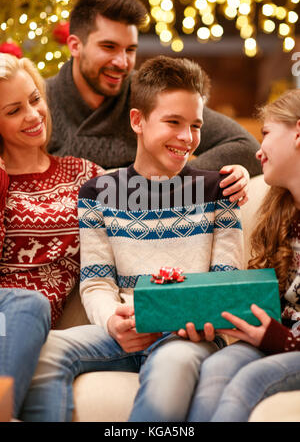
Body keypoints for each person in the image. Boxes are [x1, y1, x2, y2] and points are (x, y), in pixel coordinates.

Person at [20, 55, 244, 422]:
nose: (187, 138)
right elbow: (95, 282)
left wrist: (200, 318)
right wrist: (113, 322)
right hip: (126, 331)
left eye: (196, 125)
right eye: (173, 122)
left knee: (171, 364)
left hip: (187, 337)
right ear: (137, 121)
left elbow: (224, 282)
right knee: (45, 351)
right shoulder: (98, 192)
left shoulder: (219, 190)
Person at [46, 0, 262, 179]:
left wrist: (172, 181)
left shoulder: (149, 92)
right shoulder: (40, 100)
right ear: (75, 46)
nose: (122, 63)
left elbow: (246, 147)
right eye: (109, 47)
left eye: (130, 50)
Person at [184, 88, 300, 422]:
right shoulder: (279, 209)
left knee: (248, 381)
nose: (258, 152)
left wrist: (278, 339)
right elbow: (270, 294)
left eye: (265, 134)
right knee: (216, 367)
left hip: (289, 347)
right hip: (276, 339)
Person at [0, 52, 104, 417]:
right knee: (28, 302)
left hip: (35, 330)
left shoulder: (83, 174)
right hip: (7, 312)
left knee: (43, 355)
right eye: (13, 111)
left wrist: (223, 178)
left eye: (34, 99)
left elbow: (142, 212)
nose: (32, 115)